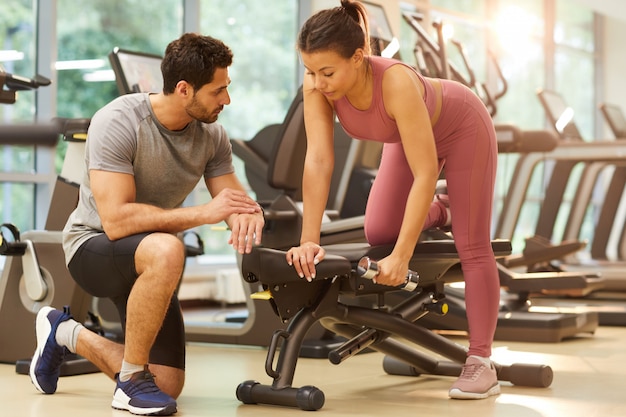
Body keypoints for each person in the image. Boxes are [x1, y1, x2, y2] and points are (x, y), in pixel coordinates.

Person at [29, 33, 264, 416]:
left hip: (150, 256)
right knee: (168, 246)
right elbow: (117, 221)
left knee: (168, 385)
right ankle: (130, 382)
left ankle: (65, 332)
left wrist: (249, 215)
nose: (227, 100)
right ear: (185, 89)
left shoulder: (213, 138)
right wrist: (204, 213)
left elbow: (235, 201)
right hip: (93, 246)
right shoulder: (119, 121)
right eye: (218, 91)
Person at [287, 0, 500, 400]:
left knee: (472, 244)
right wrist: (308, 239)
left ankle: (481, 362)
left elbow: (424, 174)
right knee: (380, 229)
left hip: (462, 128)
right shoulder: (316, 85)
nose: (319, 81)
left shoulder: (396, 82)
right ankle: (446, 208)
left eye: (328, 72)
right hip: (407, 135)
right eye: (310, 71)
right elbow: (317, 160)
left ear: (359, 56)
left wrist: (401, 258)